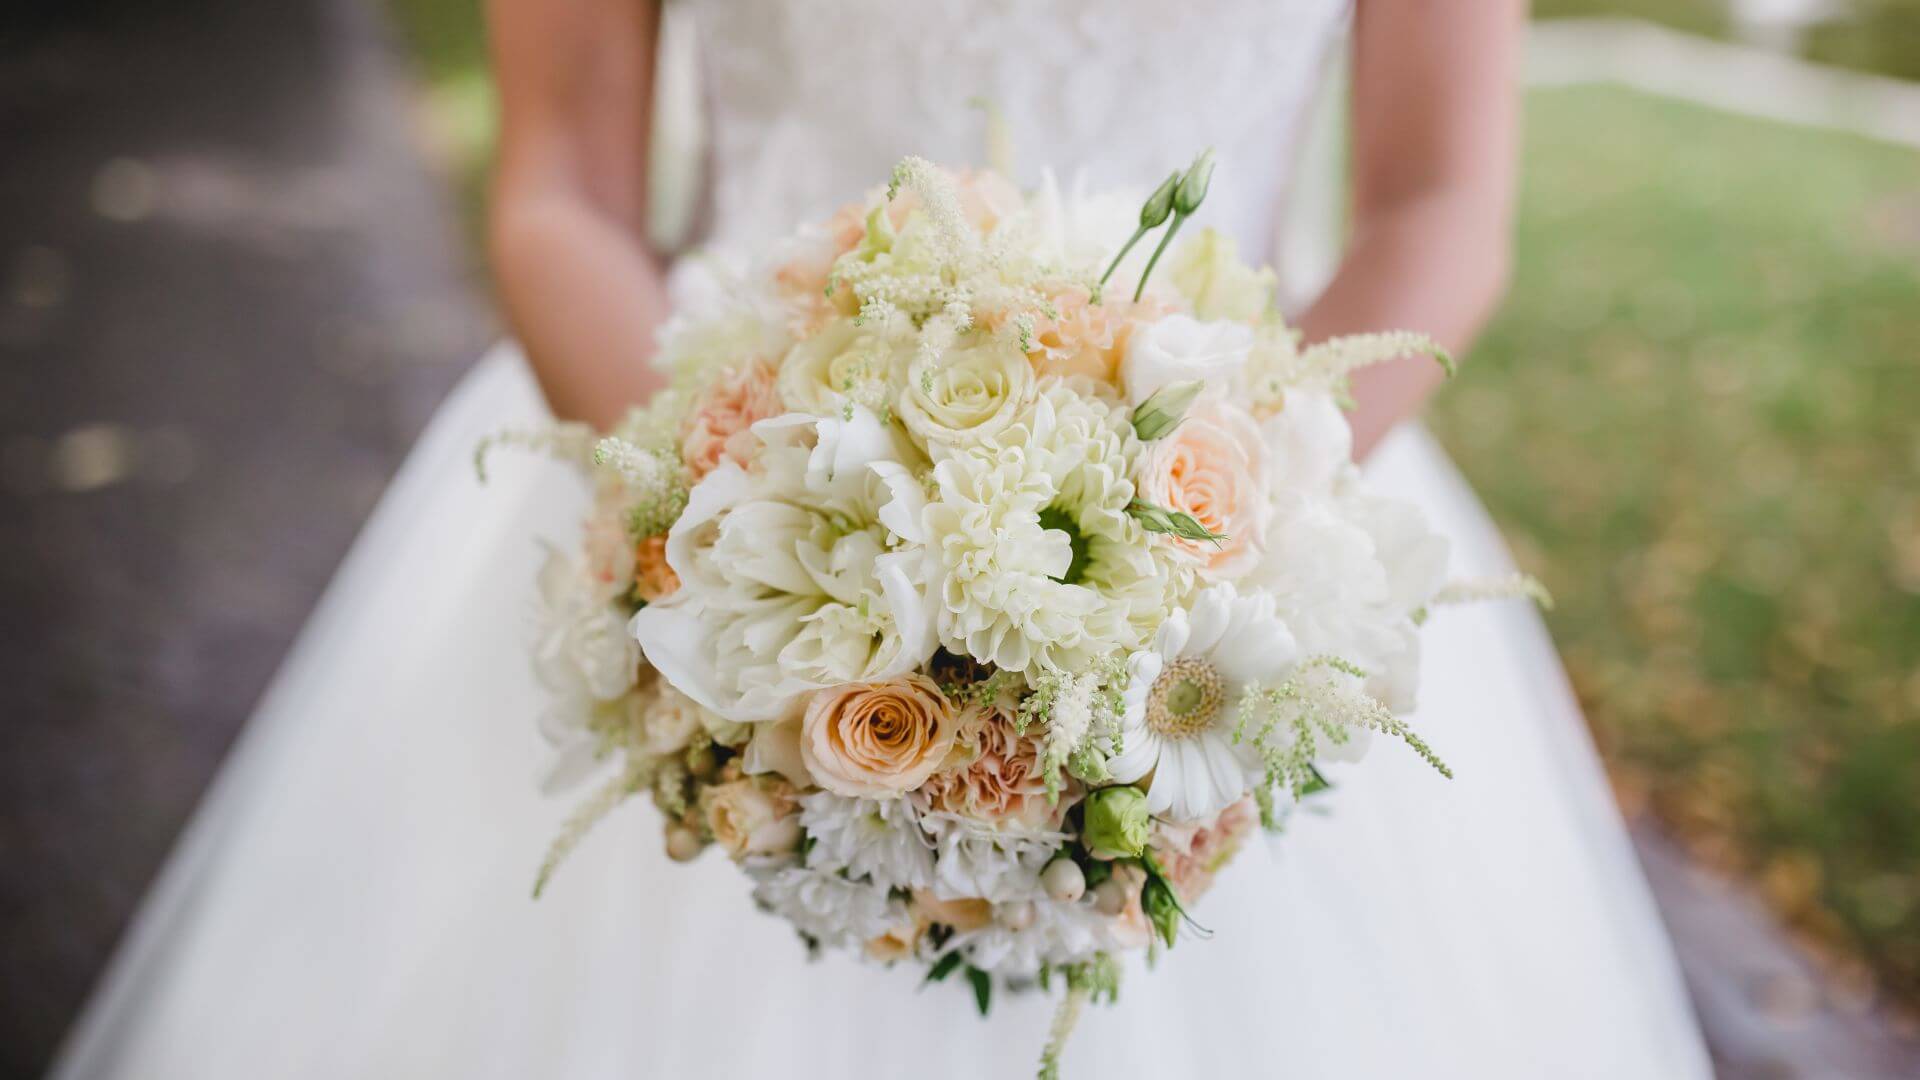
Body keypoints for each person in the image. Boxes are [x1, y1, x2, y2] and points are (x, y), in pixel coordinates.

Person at [52, 1, 1714, 1076]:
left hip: (1246, 514)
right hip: (704, 486)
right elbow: (559, 178)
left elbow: (1439, 209)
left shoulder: (1240, 541)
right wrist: (710, 518)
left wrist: (1213, 549)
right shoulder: (702, 507)